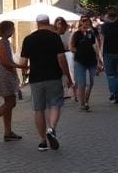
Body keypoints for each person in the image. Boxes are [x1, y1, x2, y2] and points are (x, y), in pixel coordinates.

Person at [20, 14, 74, 151]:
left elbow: (23, 62)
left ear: (37, 23)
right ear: (48, 22)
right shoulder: (54, 37)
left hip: (36, 78)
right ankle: (51, 129)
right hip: (53, 76)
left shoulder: (28, 39)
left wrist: (24, 75)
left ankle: (43, 141)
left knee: (38, 109)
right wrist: (67, 76)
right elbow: (61, 59)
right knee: (55, 104)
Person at [70, 14, 102, 111]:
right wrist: (79, 51)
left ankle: (85, 100)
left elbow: (95, 46)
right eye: (83, 21)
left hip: (92, 61)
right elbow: (71, 47)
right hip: (80, 61)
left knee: (91, 83)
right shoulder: (77, 34)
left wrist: (99, 60)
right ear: (80, 22)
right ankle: (82, 104)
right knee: (82, 83)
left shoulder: (92, 33)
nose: (85, 22)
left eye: (87, 20)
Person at [98, 7, 118, 104]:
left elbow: (102, 41)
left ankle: (112, 93)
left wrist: (100, 55)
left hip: (108, 53)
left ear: (108, 16)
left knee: (110, 76)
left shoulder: (104, 26)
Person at [54, 17, 76, 101]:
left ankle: (65, 91)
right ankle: (64, 92)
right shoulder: (56, 36)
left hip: (64, 56)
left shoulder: (63, 34)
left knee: (64, 75)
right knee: (63, 75)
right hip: (60, 58)